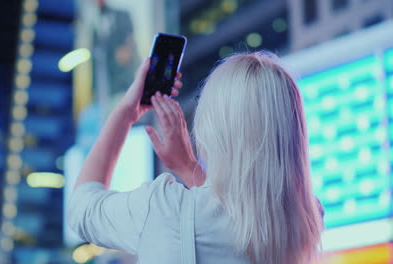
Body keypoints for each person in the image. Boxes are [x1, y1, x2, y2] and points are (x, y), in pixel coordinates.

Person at [68, 52, 324, 264]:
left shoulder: (164, 208)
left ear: (214, 128)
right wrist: (189, 168)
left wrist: (126, 111)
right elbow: (236, 215)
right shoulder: (306, 221)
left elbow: (81, 209)